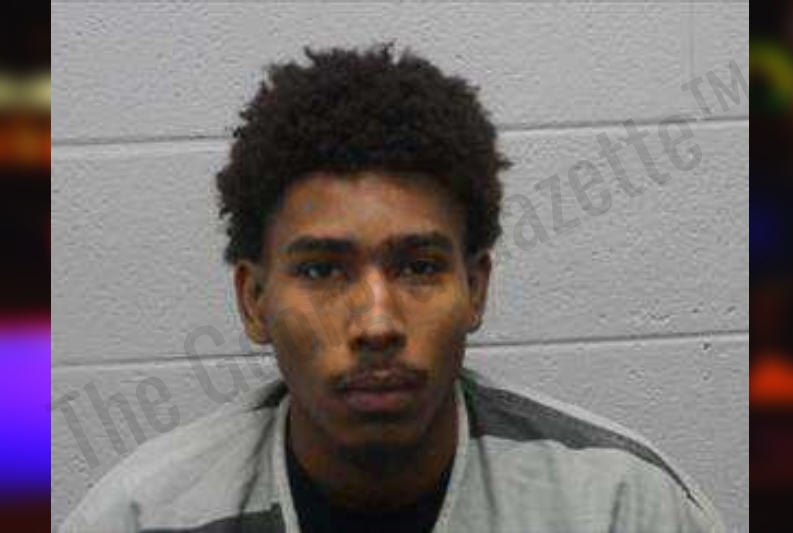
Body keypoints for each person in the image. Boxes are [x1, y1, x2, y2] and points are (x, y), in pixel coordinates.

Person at [60, 42, 724, 533]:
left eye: (419, 267)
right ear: (254, 301)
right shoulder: (144, 517)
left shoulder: (620, 508)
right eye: (321, 270)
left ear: (476, 288)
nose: (377, 322)